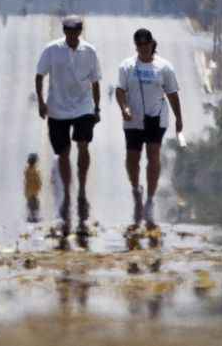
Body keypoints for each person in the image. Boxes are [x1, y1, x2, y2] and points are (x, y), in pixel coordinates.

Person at [35, 14, 101, 224]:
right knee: (63, 153)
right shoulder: (52, 50)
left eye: (75, 32)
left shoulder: (89, 51)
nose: (72, 35)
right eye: (68, 32)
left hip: (83, 107)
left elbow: (96, 81)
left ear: (80, 32)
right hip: (57, 108)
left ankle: (81, 189)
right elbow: (39, 75)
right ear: (64, 32)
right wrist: (41, 102)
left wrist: (96, 108)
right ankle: (67, 193)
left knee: (83, 146)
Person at [115, 28, 183, 230]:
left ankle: (150, 198)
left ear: (152, 44)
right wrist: (124, 108)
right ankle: (137, 190)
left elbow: (172, 94)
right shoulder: (127, 66)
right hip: (133, 119)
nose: (143, 48)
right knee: (132, 158)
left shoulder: (164, 67)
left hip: (156, 118)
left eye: (146, 45)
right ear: (136, 46)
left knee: (153, 156)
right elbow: (120, 90)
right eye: (139, 45)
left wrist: (179, 118)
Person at [24, 153, 42, 222]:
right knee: (34, 205)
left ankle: (31, 216)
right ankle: (33, 217)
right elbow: (37, 180)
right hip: (33, 192)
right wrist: (39, 186)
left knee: (31, 204)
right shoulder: (34, 170)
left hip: (29, 192)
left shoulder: (28, 170)